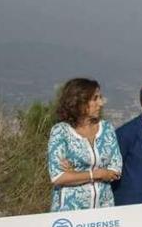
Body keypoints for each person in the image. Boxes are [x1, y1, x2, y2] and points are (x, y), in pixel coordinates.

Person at [47, 78, 122, 211]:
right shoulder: (61, 131)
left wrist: (76, 174)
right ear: (79, 102)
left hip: (104, 210)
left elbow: (115, 170)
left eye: (100, 97)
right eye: (95, 98)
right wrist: (97, 174)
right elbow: (58, 176)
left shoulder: (107, 128)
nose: (101, 103)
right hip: (70, 213)